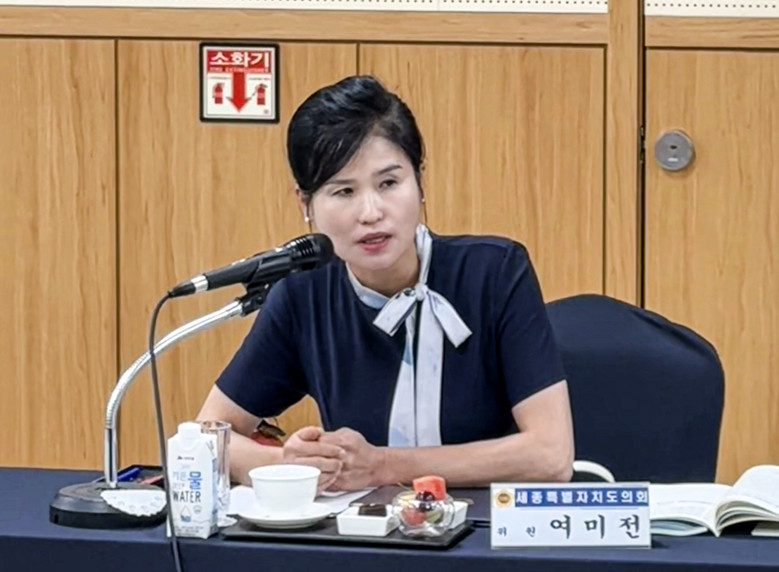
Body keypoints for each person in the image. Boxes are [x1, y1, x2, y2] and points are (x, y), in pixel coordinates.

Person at [197, 75, 574, 492]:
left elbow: (551, 456)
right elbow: (206, 438)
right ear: (306, 204)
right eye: (344, 191)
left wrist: (382, 466)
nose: (371, 212)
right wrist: (290, 464)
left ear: (420, 181)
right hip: (364, 527)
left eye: (389, 183)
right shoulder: (303, 296)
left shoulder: (494, 272)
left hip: (484, 524)